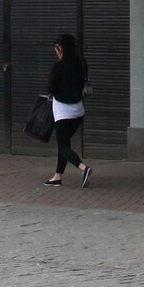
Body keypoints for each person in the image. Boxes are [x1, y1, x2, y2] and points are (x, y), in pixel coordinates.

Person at [44, 32, 91, 188]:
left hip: (63, 112)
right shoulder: (80, 64)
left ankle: (83, 168)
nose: (55, 51)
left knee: (63, 146)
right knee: (63, 144)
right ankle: (57, 176)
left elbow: (51, 88)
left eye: (56, 47)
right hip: (78, 111)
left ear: (61, 48)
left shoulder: (59, 66)